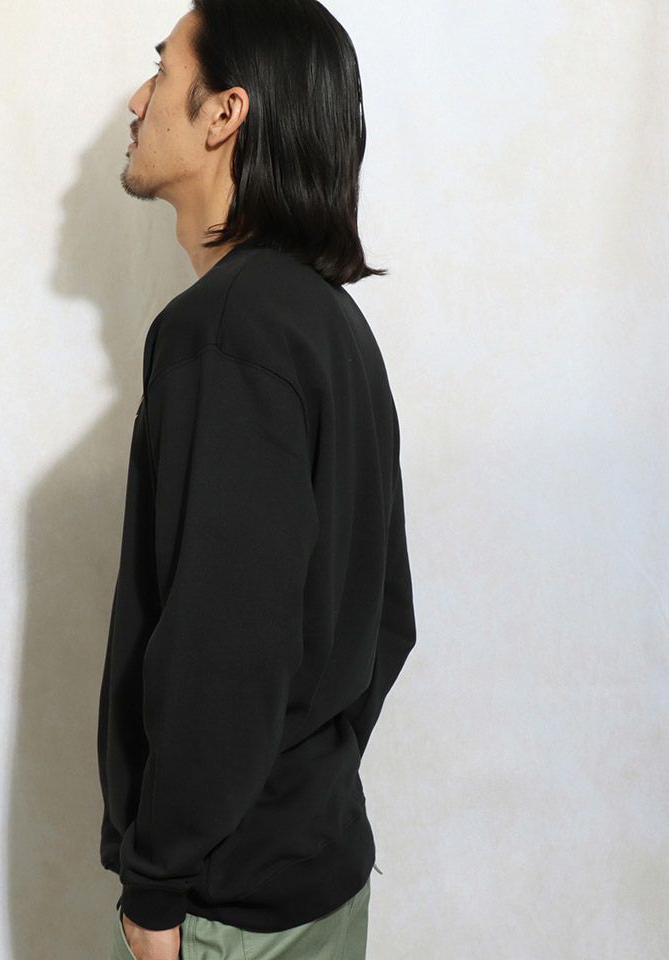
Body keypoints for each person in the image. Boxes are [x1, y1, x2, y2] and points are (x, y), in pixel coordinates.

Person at [98, 2, 417, 957]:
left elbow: (222, 646)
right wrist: (299, 787)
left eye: (163, 71)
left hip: (224, 911)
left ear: (224, 112)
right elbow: (388, 618)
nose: (138, 99)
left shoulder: (225, 335)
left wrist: (157, 887)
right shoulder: (334, 327)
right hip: (320, 872)